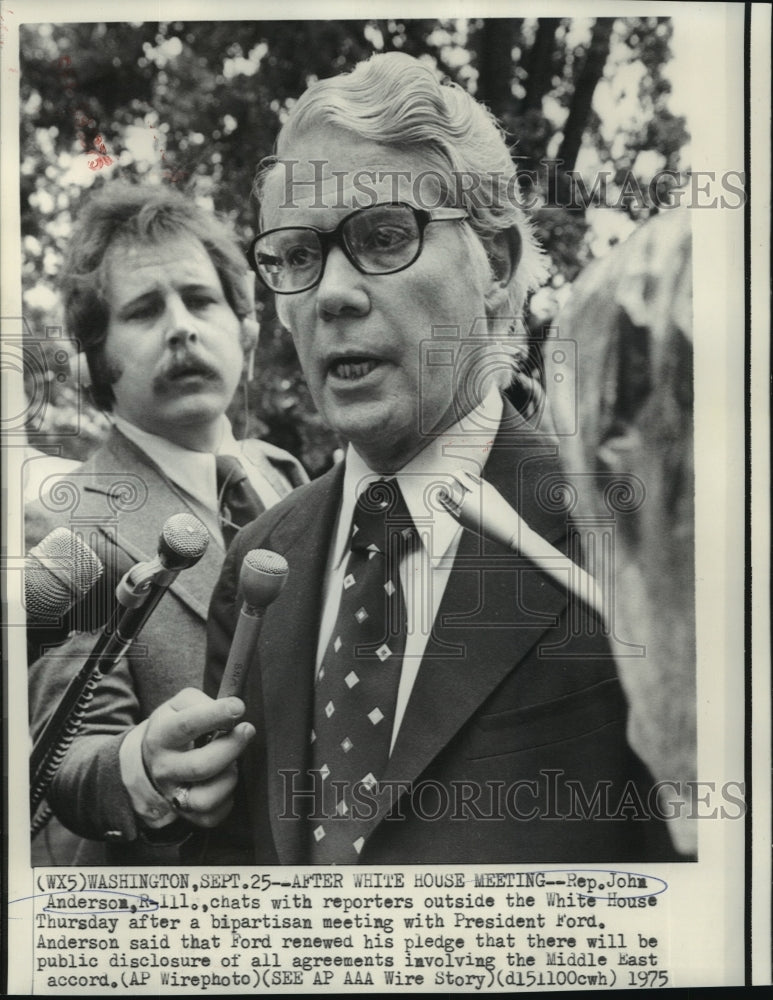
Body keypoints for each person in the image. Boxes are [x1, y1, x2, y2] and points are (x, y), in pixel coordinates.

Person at [125, 53, 680, 864]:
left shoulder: (621, 524)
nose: (331, 294)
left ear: (493, 263)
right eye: (298, 255)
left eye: (383, 236)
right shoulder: (260, 562)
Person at [26, 184, 307, 864]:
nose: (182, 325)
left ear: (244, 327)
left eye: (200, 299)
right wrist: (141, 768)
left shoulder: (284, 474)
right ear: (98, 365)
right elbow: (62, 755)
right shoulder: (71, 523)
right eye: (146, 310)